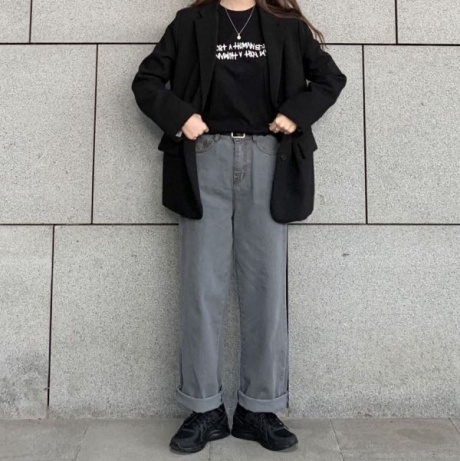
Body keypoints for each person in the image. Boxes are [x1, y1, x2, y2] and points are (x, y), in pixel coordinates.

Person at [131, 0, 346, 454]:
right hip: (204, 158)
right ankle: (204, 410)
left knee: (266, 289)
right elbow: (146, 81)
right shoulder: (190, 22)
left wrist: (297, 112)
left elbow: (330, 78)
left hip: (269, 159)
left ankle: (258, 409)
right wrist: (181, 117)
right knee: (201, 289)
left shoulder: (286, 26)